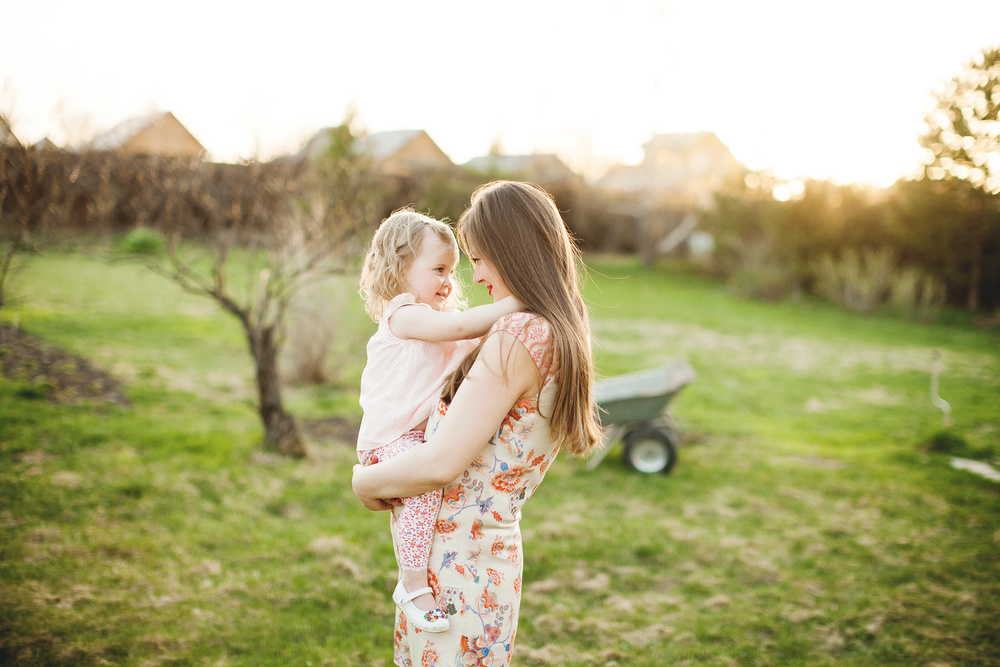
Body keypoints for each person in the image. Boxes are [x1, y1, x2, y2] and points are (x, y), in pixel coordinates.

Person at [353, 182, 603, 666]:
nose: (478, 276)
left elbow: (442, 462)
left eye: (481, 259)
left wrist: (365, 482)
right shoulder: (555, 330)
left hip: (456, 571)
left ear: (513, 252)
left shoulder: (518, 333)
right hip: (480, 561)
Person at [357, 208, 522, 634]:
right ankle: (411, 584)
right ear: (399, 270)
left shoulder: (437, 319)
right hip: (390, 437)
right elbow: (466, 325)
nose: (449, 280)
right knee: (425, 487)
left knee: (426, 480)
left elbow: (477, 338)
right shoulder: (405, 315)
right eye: (438, 269)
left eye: (452, 270)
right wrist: (521, 298)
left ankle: (417, 578)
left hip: (412, 435)